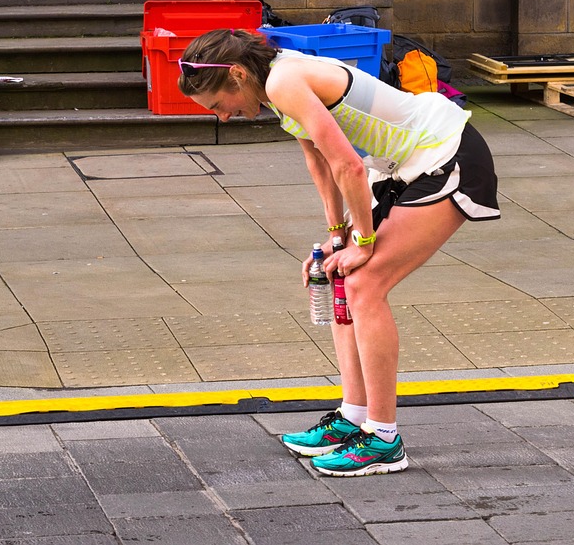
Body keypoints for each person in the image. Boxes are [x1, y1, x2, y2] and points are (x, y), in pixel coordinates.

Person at [177, 29, 499, 477]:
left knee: (366, 283)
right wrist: (337, 236)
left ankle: (384, 439)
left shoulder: (282, 82)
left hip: (446, 153)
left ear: (236, 74)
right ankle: (353, 416)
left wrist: (363, 242)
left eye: (217, 105)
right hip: (406, 164)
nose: (224, 117)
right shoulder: (274, 84)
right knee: (338, 272)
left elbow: (347, 163)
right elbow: (319, 161)